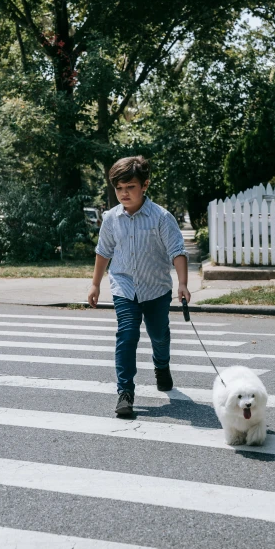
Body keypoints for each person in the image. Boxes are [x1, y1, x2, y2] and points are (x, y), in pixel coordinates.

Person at [88, 156, 191, 416]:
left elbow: (177, 251)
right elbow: (103, 252)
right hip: (124, 286)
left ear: (144, 185)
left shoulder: (161, 217)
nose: (124, 193)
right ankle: (125, 392)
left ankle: (162, 365)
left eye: (130, 187)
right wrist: (95, 285)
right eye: (119, 188)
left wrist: (183, 284)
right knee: (127, 335)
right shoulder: (111, 218)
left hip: (156, 288)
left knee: (159, 334)